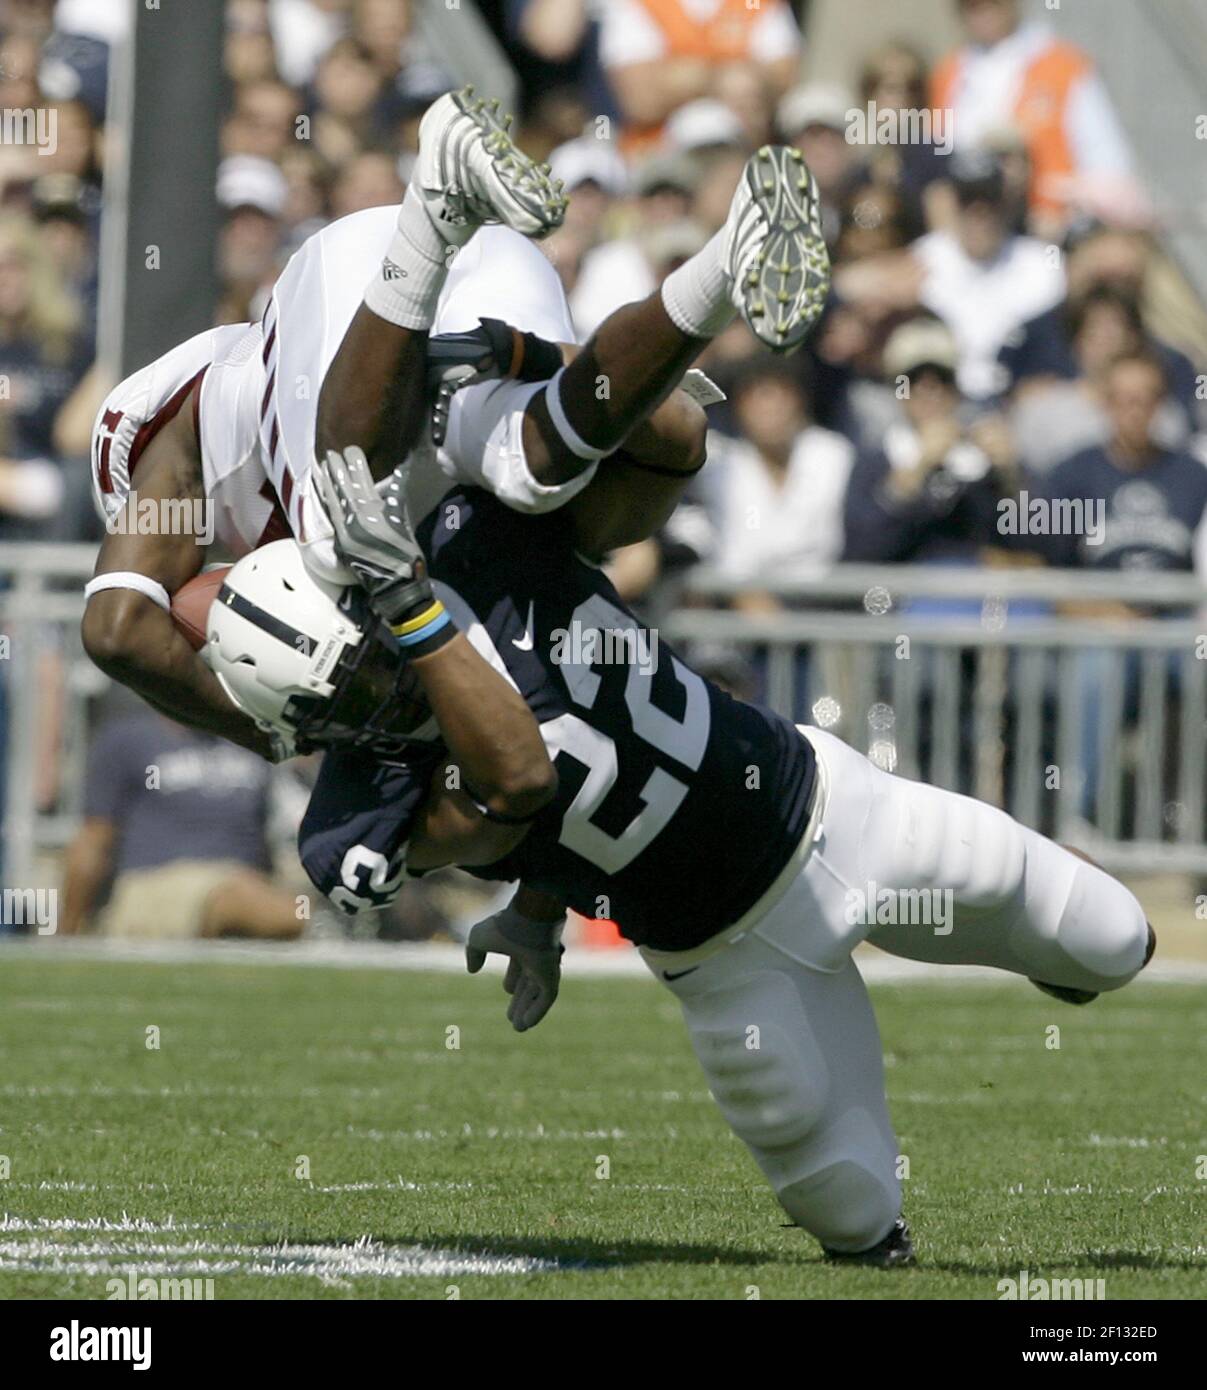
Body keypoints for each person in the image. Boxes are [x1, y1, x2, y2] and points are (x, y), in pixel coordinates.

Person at [205, 450, 1156, 1268]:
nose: (380, 698)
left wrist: (527, 362)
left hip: (832, 813)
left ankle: (1045, 957)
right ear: (304, 728)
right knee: (853, 1214)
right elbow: (523, 783)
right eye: (348, 701)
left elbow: (656, 443)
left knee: (1115, 941)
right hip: (725, 960)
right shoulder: (352, 820)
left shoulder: (477, 544)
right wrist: (417, 619)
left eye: (371, 660)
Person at [82, 86, 829, 767]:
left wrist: (278, 734)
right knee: (531, 477)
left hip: (358, 281)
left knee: (341, 519)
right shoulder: (389, 533)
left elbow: (117, 630)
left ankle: (432, 205)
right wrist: (551, 365)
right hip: (474, 297)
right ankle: (720, 270)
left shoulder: (179, 440)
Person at [60, 709, 301, 940]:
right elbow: (94, 839)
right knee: (245, 900)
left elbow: (263, 834)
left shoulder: (252, 742)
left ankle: (307, 920)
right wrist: (67, 931)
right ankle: (312, 923)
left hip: (246, 881)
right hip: (155, 884)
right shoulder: (127, 739)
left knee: (259, 894)